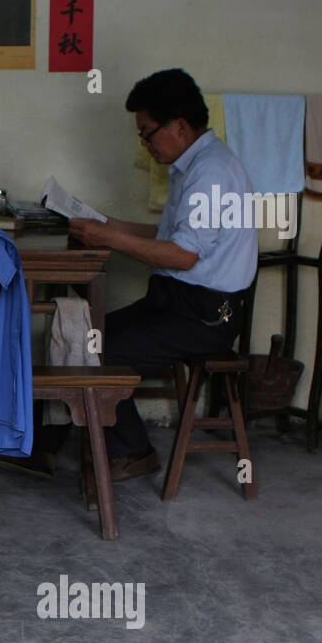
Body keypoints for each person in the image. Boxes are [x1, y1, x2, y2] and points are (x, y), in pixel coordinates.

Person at [66, 68, 258, 481]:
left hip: (205, 316)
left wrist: (109, 239)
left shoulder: (210, 172)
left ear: (180, 126)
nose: (144, 144)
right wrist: (109, 225)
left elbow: (182, 255)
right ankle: (92, 439)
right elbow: (168, 236)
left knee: (101, 350)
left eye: (147, 133)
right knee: (85, 336)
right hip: (176, 302)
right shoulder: (194, 166)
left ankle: (132, 450)